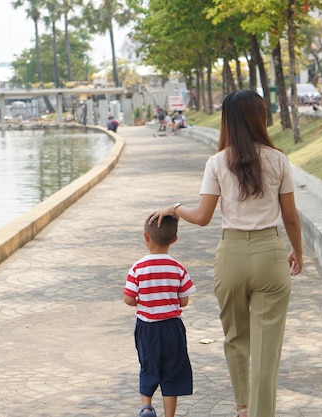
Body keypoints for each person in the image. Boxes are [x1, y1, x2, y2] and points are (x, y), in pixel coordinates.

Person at [149, 89, 303, 417]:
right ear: (260, 118)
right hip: (271, 254)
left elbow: (203, 217)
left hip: (231, 255)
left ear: (227, 121)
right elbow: (290, 216)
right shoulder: (278, 159)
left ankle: (243, 408)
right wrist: (298, 252)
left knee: (235, 338)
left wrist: (175, 208)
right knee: (266, 347)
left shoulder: (218, 162)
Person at [124, 215, 196, 417]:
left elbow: (129, 299)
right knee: (172, 371)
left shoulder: (138, 268)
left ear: (145, 237)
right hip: (172, 329)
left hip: (147, 328)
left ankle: (146, 407)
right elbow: (184, 301)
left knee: (148, 365)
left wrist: (144, 301)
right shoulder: (178, 268)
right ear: (175, 239)